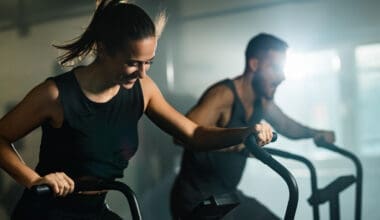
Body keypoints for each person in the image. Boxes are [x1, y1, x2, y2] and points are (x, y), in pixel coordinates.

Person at [0, 1, 274, 220]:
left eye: (149, 62)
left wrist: (245, 132)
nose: (142, 72)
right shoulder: (56, 94)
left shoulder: (143, 89)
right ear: (104, 49)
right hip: (48, 212)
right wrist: (34, 180)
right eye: (133, 63)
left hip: (95, 210)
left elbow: (193, 133)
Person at [170, 33, 336, 220]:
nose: (282, 77)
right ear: (254, 64)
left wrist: (316, 133)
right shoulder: (224, 94)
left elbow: (286, 126)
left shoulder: (262, 100)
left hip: (228, 196)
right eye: (275, 68)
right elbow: (181, 136)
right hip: (198, 202)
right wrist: (240, 143)